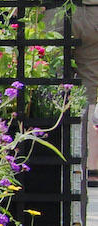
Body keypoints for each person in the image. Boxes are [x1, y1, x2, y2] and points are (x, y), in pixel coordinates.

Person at [71, 2, 98, 181]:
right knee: (89, 88)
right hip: (94, 11)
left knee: (52, 83)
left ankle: (68, 160)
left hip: (56, 10)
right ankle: (91, 166)